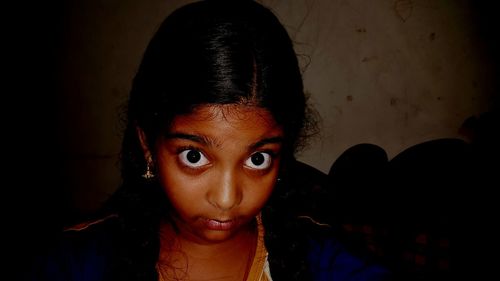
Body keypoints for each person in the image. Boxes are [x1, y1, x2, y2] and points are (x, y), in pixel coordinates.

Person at [25, 0, 392, 280]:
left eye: (259, 159)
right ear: (147, 145)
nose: (227, 198)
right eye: (194, 156)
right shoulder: (72, 264)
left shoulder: (329, 263)